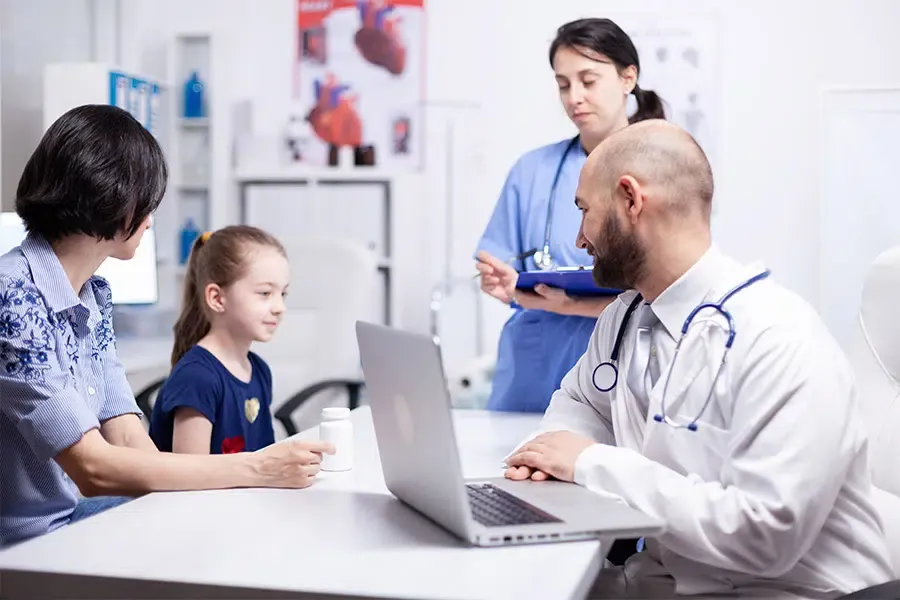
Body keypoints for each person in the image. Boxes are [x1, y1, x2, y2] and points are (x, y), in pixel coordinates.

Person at [503, 119, 895, 597]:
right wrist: (554, 454)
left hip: (799, 592)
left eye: (584, 210)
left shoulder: (779, 336)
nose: (580, 240)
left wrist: (588, 463)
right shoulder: (625, 317)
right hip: (675, 579)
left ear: (630, 199)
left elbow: (765, 537)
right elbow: (581, 403)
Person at [0, 105, 333, 548]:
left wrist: (211, 493)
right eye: (147, 203)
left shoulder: (92, 295)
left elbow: (126, 433)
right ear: (112, 197)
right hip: (26, 542)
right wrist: (255, 468)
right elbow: (94, 468)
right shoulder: (13, 296)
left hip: (67, 517)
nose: (151, 218)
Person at [475, 17, 666, 413]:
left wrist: (570, 306)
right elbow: (499, 263)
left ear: (628, 77)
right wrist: (502, 283)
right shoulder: (532, 170)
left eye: (588, 80)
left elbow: (667, 292)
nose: (573, 97)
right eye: (563, 84)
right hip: (531, 370)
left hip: (618, 366)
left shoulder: (664, 170)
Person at [149, 226, 286, 455]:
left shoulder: (260, 371)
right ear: (217, 298)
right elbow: (190, 477)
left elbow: (263, 461)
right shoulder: (197, 378)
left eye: (284, 294)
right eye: (265, 293)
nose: (280, 308)